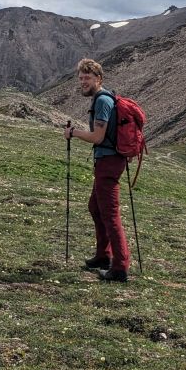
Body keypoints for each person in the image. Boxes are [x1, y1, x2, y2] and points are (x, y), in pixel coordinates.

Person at [63, 58, 131, 282]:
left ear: (98, 79)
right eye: (81, 78)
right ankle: (103, 256)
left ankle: (120, 267)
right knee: (96, 207)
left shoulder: (102, 100)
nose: (83, 81)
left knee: (110, 214)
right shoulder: (103, 98)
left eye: (87, 78)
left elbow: (97, 136)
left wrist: (74, 133)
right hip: (108, 160)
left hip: (109, 162)